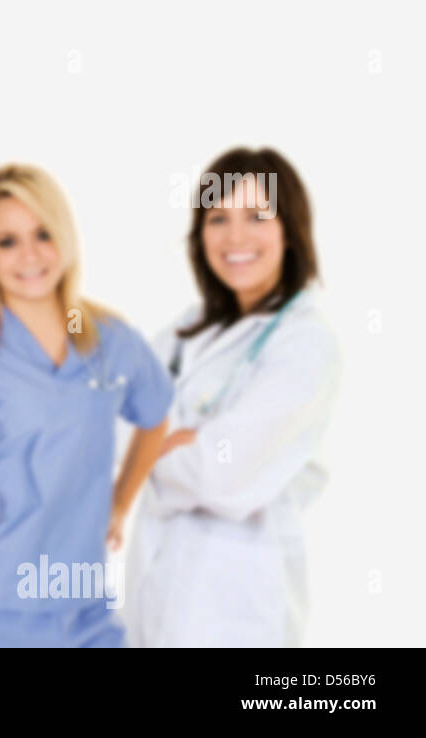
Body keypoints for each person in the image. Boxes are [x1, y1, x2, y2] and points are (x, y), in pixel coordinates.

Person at [0, 164, 174, 647]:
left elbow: (156, 414)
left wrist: (121, 504)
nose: (31, 255)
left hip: (83, 605)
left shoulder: (108, 338)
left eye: (43, 233)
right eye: (7, 241)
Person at [124, 148, 341, 648]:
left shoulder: (305, 342)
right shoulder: (187, 330)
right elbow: (110, 421)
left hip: (237, 616)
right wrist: (172, 441)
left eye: (257, 216)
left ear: (291, 229)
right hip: (156, 605)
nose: (235, 237)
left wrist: (154, 446)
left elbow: (218, 473)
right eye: (218, 217)